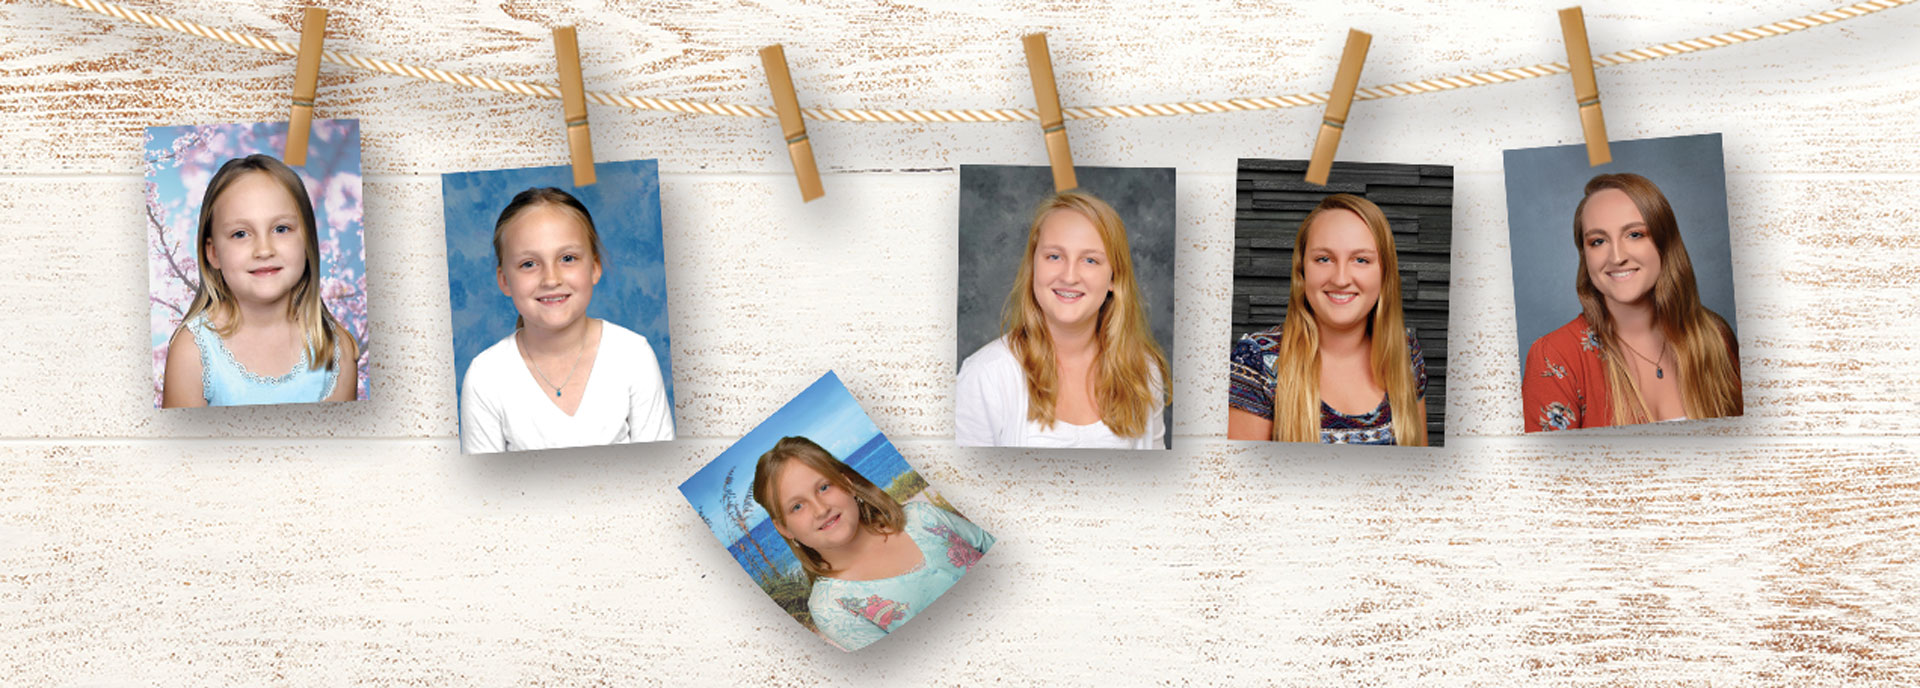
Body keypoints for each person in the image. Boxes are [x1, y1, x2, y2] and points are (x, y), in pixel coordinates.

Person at [459, 187, 674, 453]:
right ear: (504, 280)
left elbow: (658, 474)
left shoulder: (632, 355)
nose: (551, 279)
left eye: (568, 258)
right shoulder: (486, 377)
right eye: (529, 264)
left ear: (594, 268)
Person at [1521, 173, 1742, 431]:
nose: (1616, 257)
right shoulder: (1555, 357)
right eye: (1598, 241)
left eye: (1635, 234)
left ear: (1664, 242)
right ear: (1585, 255)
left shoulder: (1716, 336)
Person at [956, 190, 1170, 449]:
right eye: (1054, 256)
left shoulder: (1143, 373)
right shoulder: (985, 376)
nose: (1069, 277)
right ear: (1034, 266)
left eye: (1090, 260)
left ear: (1114, 278)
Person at [752, 436, 993, 652]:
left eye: (824, 487)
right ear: (783, 528)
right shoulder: (833, 608)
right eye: (797, 506)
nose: (821, 509)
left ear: (846, 483)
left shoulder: (923, 518)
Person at [1227, 194, 1428, 445]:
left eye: (1361, 260)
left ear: (1384, 273)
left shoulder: (1407, 352)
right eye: (1324, 259)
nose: (1341, 279)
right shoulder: (1256, 362)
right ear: (1302, 270)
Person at [162, 154, 358, 407]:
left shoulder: (335, 350)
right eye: (240, 234)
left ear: (307, 240)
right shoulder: (193, 353)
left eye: (281, 229)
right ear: (213, 253)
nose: (264, 250)